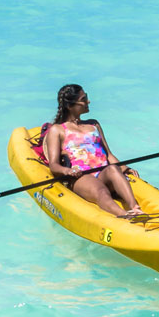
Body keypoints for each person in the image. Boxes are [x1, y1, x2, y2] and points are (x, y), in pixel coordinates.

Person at [36, 84, 143, 218]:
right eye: (84, 99)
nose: (88, 101)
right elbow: (54, 165)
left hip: (103, 172)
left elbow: (109, 155)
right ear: (70, 106)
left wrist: (125, 168)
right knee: (101, 191)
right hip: (81, 177)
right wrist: (68, 171)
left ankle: (135, 208)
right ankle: (124, 215)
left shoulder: (94, 124)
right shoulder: (58, 130)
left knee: (113, 169)